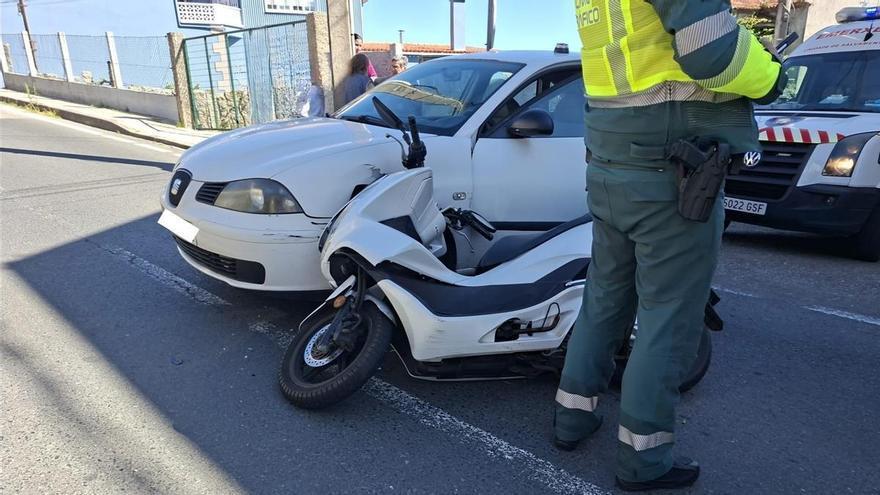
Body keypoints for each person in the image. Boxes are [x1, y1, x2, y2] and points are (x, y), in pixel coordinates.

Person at [554, 1, 785, 492]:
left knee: (604, 300)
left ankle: (571, 420)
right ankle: (644, 462)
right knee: (667, 318)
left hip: (612, 165)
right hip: (673, 174)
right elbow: (713, 56)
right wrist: (771, 74)